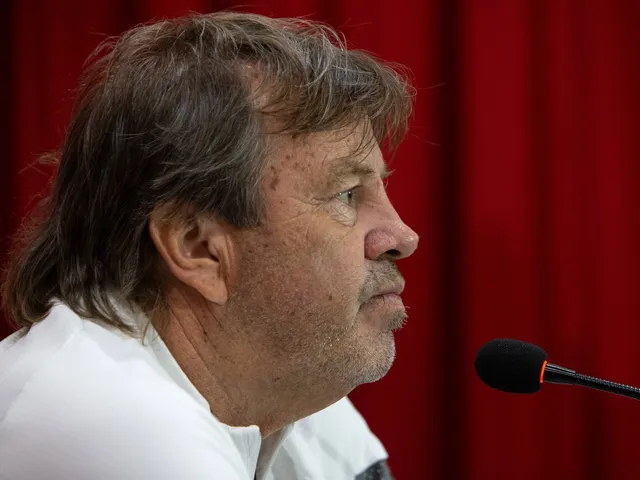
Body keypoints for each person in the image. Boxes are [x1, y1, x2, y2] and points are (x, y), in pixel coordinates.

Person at [0, 11, 418, 480]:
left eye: (381, 187)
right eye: (346, 194)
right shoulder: (115, 425)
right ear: (198, 248)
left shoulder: (294, 403)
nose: (403, 236)